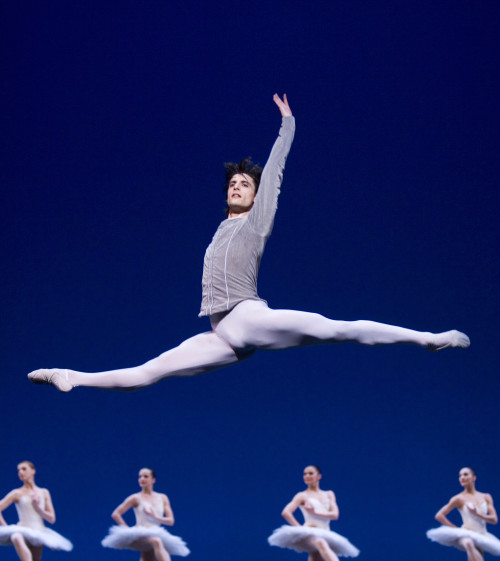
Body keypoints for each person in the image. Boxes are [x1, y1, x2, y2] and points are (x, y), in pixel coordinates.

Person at [28, 94, 470, 394]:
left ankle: (428, 339)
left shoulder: (256, 221)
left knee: (339, 328)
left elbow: (273, 174)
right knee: (150, 372)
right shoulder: (221, 229)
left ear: (256, 197)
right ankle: (71, 377)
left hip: (249, 316)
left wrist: (287, 126)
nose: (238, 187)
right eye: (234, 183)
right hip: (222, 334)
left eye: (245, 184)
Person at [258, 465, 358, 561]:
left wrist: (314, 512)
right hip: (310, 533)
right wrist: (301, 529)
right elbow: (286, 512)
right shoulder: (302, 495)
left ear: (319, 476)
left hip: (326, 533)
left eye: (310, 473)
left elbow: (335, 515)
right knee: (320, 542)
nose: (307, 476)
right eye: (305, 474)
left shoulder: (329, 494)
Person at [91, 467, 188, 561]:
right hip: (139, 535)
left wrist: (155, 517)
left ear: (153, 480)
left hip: (155, 533)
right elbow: (116, 514)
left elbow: (170, 521)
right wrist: (127, 530)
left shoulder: (162, 497)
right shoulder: (135, 498)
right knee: (156, 541)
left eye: (146, 476)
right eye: (140, 476)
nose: (142, 479)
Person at [0, 461, 73, 561]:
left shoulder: (44, 492)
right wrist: (6, 527)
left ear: (33, 471)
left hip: (39, 533)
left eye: (24, 469)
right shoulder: (16, 493)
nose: (20, 472)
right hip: (23, 530)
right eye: (18, 470)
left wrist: (37, 507)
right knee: (16, 536)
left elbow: (51, 519)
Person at [427, 467, 500, 561]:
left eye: (465, 474)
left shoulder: (486, 496)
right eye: (460, 475)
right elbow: (439, 515)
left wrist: (477, 514)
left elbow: (494, 519)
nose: (462, 477)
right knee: (468, 543)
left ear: (474, 478)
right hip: (465, 533)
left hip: (481, 535)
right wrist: (456, 529)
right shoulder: (458, 498)